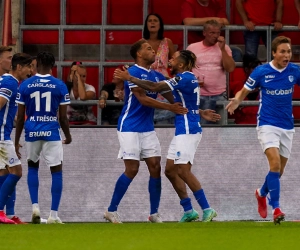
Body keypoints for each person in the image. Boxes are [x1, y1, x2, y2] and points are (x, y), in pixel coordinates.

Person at [114, 50, 219, 222]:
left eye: (174, 57)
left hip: (188, 129)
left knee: (183, 171)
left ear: (181, 64)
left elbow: (155, 88)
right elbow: (182, 103)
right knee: (170, 171)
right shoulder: (186, 78)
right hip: (182, 128)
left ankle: (207, 209)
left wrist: (130, 78)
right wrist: (200, 111)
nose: (170, 59)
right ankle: (188, 210)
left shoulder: (183, 78)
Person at [103, 39, 188, 223]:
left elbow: (172, 96)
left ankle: (154, 213)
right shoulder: (131, 72)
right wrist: (170, 108)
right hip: (129, 126)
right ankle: (111, 210)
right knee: (132, 169)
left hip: (147, 127)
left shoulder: (157, 76)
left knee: (155, 167)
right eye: (149, 49)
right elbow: (143, 99)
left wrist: (188, 99)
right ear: (139, 54)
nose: (153, 51)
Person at [226, 36, 300, 225]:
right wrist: (236, 100)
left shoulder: (295, 70)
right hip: (267, 124)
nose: (286, 55)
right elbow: (244, 90)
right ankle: (276, 208)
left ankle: (261, 193)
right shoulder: (262, 71)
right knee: (274, 165)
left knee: (279, 171)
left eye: (289, 51)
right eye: (282, 51)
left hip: (287, 126)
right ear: (274, 53)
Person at [15, 51, 72, 224]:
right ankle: (53, 215)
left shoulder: (25, 85)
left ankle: (35, 207)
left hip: (31, 131)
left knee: (33, 167)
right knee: (56, 170)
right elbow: (63, 117)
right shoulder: (60, 85)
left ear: (36, 64)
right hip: (51, 132)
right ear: (53, 66)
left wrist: (17, 140)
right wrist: (68, 136)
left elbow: (20, 115)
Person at [0, 53, 32, 224]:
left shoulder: (7, 81)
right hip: (0, 137)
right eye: (28, 67)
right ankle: (0, 211)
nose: (30, 71)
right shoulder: (10, 83)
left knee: (4, 172)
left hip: (4, 135)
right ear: (19, 67)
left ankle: (9, 214)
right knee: (16, 171)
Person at [187, 19, 235, 124]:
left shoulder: (224, 48)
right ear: (204, 33)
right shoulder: (192, 48)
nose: (215, 36)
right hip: (198, 94)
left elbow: (230, 68)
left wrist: (222, 50)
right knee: (201, 130)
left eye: (218, 33)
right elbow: (184, 70)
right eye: (212, 33)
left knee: (221, 131)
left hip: (219, 95)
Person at [143, 13, 176, 124]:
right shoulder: (141, 43)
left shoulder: (167, 42)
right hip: (147, 81)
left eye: (155, 20)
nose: (152, 22)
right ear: (146, 25)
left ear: (160, 25)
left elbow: (175, 62)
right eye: (150, 20)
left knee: (164, 120)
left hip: (163, 82)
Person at [229, 54, 261, 124]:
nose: (258, 72)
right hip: (241, 127)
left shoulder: (265, 88)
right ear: (246, 70)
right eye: (254, 69)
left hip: (261, 127)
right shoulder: (236, 87)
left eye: (259, 69)